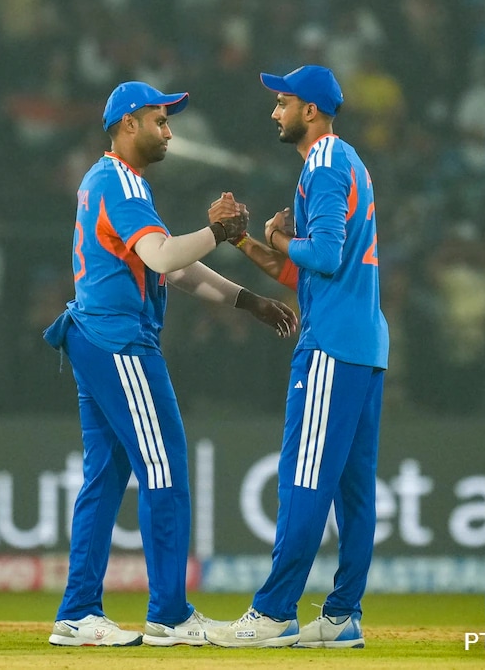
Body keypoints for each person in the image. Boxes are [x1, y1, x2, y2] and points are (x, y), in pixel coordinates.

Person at [42, 81, 297, 648]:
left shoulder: (110, 180)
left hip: (94, 336)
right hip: (120, 341)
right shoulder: (121, 181)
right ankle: (169, 614)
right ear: (128, 123)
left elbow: (169, 266)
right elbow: (162, 257)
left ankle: (78, 612)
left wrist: (247, 300)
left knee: (105, 477)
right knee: (166, 471)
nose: (169, 131)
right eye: (160, 120)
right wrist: (218, 232)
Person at [206, 65, 388, 649]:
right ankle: (341, 617)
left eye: (282, 102)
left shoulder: (325, 163)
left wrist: (282, 237)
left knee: (304, 480)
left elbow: (324, 257)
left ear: (310, 110)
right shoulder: (347, 161)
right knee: (354, 492)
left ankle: (274, 612)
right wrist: (247, 241)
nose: (274, 111)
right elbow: (304, 274)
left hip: (331, 347)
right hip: (363, 345)